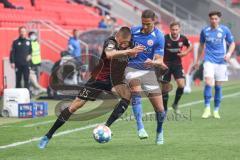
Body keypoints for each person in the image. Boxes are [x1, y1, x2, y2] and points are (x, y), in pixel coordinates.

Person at [38, 27, 144, 149]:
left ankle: (107, 126)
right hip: (97, 79)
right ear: (118, 37)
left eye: (127, 43)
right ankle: (48, 135)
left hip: (114, 80)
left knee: (127, 96)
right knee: (75, 106)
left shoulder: (129, 44)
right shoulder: (110, 42)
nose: (125, 45)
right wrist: (128, 52)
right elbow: (109, 54)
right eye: (123, 43)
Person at [126, 9, 167, 144]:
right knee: (135, 92)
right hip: (132, 68)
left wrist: (153, 62)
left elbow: (160, 60)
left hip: (148, 71)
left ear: (154, 21)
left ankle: (159, 132)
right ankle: (140, 128)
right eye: (143, 23)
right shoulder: (133, 31)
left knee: (160, 110)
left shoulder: (159, 36)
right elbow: (122, 46)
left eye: (148, 24)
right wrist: (128, 52)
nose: (144, 26)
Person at [194, 11, 235, 119]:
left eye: (216, 19)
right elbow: (201, 46)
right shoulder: (205, 31)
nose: (214, 20)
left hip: (221, 62)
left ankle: (216, 110)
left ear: (219, 19)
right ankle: (207, 108)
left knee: (218, 86)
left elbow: (232, 43)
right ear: (209, 19)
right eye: (212, 18)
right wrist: (197, 60)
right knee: (208, 82)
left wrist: (229, 54)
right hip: (209, 60)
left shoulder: (224, 30)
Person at [159, 21, 193, 114]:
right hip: (166, 65)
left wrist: (185, 53)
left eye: (176, 30)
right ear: (170, 30)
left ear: (179, 29)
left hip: (177, 64)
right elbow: (158, 50)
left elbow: (190, 46)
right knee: (165, 88)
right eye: (173, 30)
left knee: (182, 85)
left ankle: (175, 104)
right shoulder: (165, 38)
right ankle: (164, 109)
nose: (174, 32)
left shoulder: (183, 38)